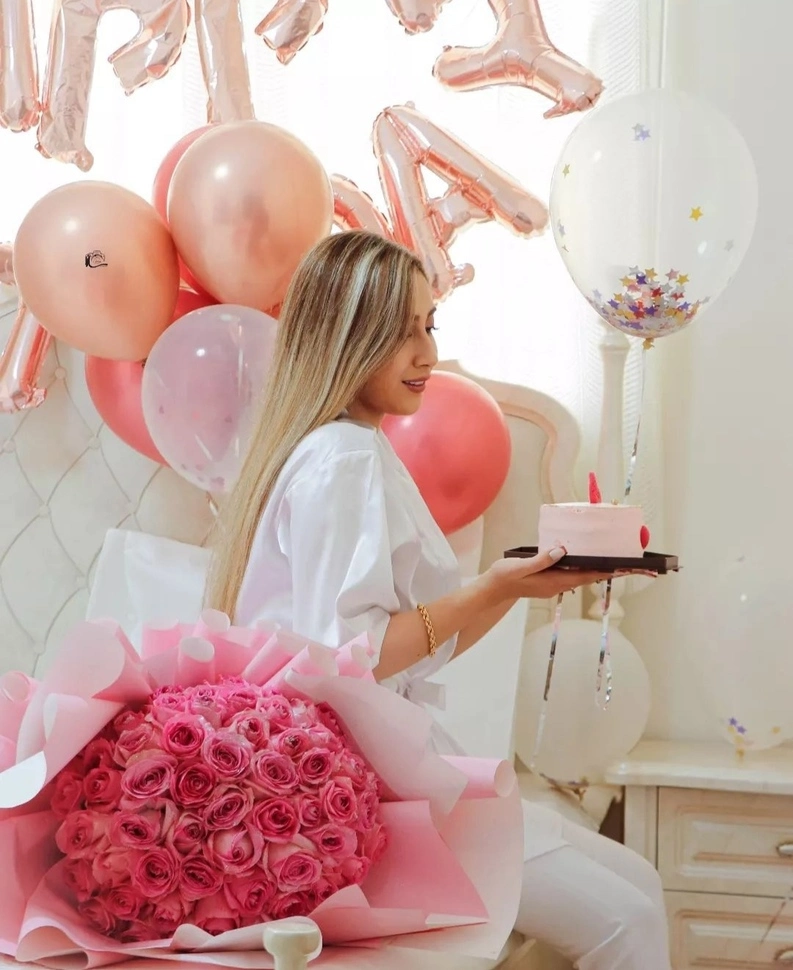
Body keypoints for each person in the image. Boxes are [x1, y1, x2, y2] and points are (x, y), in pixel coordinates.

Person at [207, 231, 671, 970]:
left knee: (640, 884)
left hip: (388, 763)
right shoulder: (342, 458)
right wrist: (491, 586)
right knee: (628, 918)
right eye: (401, 333)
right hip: (365, 784)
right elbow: (345, 659)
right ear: (345, 337)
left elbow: (417, 648)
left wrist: (513, 588)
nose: (426, 353)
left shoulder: (350, 448)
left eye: (429, 325)